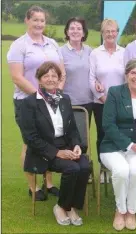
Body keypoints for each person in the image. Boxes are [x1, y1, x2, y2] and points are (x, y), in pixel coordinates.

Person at [20, 61, 90, 226]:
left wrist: (76, 145)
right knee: (72, 168)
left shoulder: (64, 98)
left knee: (85, 166)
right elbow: (30, 137)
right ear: (39, 79)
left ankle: (71, 206)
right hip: (43, 150)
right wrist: (57, 153)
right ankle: (60, 206)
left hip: (66, 145)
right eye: (46, 75)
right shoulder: (29, 103)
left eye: (54, 75)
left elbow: (72, 129)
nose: (50, 79)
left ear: (59, 79)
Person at [7, 5, 65, 201]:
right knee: (29, 144)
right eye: (36, 20)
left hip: (51, 101)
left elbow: (61, 72)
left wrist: (55, 93)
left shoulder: (52, 44)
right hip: (27, 102)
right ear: (27, 21)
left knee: (49, 140)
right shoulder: (19, 45)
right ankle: (33, 187)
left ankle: (49, 183)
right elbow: (17, 77)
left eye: (42, 20)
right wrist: (41, 96)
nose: (39, 24)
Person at [100, 58, 136, 231]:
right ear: (126, 75)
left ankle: (131, 210)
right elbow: (107, 125)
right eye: (133, 73)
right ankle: (120, 210)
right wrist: (129, 144)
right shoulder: (115, 92)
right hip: (112, 146)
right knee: (121, 170)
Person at [89, 18, 125, 166]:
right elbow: (91, 78)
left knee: (121, 133)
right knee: (103, 135)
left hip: (122, 103)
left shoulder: (124, 52)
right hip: (101, 103)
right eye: (107, 31)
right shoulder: (95, 53)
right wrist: (103, 98)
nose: (110, 34)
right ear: (102, 33)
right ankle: (104, 167)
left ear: (117, 32)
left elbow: (129, 77)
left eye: (113, 31)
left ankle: (121, 165)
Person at [60, 17, 93, 124]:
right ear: (67, 32)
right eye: (72, 28)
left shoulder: (89, 51)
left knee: (84, 137)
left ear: (83, 33)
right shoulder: (60, 52)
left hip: (88, 101)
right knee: (68, 138)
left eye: (79, 28)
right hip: (68, 102)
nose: (75, 31)